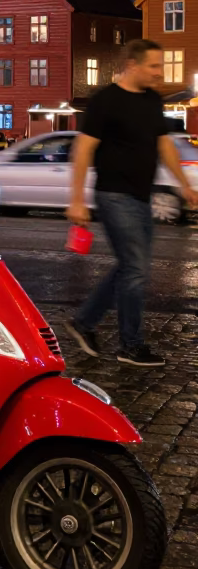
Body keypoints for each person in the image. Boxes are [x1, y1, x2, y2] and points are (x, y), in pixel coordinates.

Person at [66, 38, 198, 367]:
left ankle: (83, 323)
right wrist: (77, 199)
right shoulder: (105, 101)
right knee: (136, 270)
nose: (159, 73)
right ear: (132, 65)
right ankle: (131, 345)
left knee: (129, 267)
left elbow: (164, 145)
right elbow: (82, 150)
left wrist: (184, 185)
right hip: (113, 195)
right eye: (154, 66)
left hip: (141, 196)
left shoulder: (151, 100)